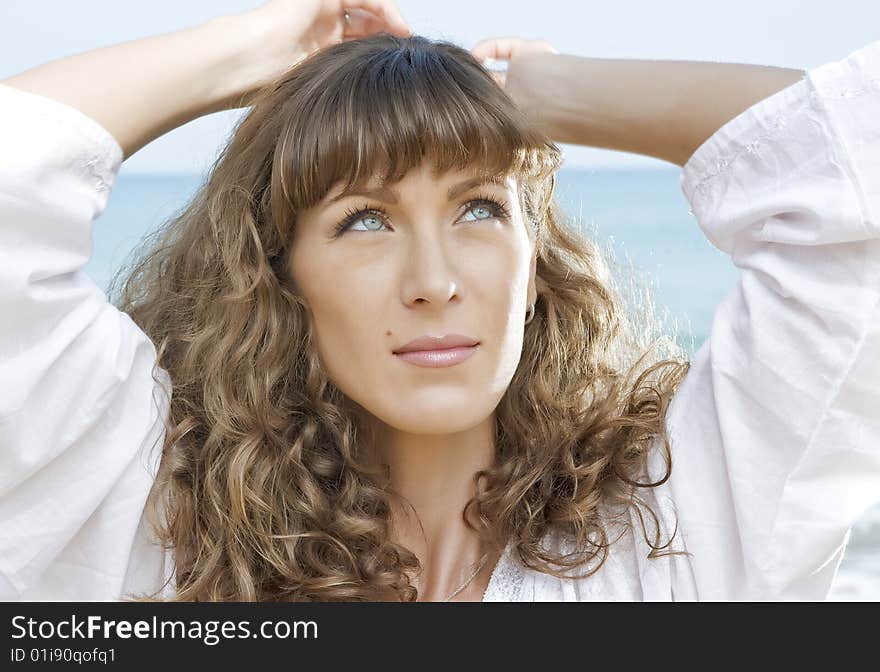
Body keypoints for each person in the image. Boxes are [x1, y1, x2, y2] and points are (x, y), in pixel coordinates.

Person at [1, 0, 878, 602]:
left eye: (479, 209)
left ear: (536, 264)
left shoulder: (683, 524)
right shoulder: (162, 536)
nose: (435, 280)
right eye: (364, 222)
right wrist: (264, 48)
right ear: (278, 277)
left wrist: (547, 95)